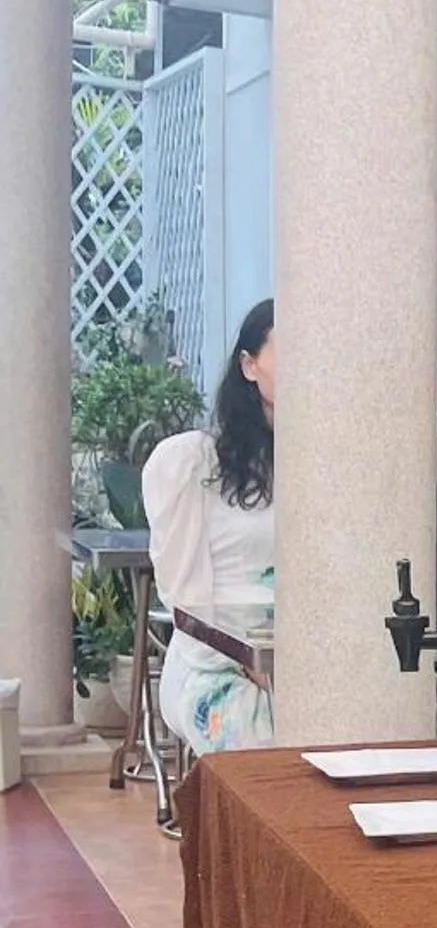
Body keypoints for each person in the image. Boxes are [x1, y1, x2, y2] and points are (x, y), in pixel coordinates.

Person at [145, 301, 276, 753]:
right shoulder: (196, 463)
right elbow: (183, 596)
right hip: (219, 665)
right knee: (267, 747)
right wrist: (247, 661)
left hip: (309, 666)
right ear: (249, 364)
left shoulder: (322, 464)